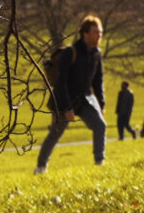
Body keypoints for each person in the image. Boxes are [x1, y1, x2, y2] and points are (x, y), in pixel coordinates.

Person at [35, 15, 108, 174]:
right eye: (95, 32)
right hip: (64, 100)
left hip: (84, 100)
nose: (99, 36)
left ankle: (99, 162)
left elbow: (98, 81)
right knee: (55, 134)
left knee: (100, 125)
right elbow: (61, 83)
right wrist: (67, 108)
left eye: (100, 33)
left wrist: (101, 104)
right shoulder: (70, 52)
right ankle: (41, 166)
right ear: (85, 34)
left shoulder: (96, 54)